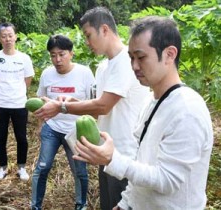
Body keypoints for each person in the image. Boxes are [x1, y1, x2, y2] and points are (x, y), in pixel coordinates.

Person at [73, 16, 214, 210]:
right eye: (131, 58)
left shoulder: (187, 109)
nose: (134, 66)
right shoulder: (151, 100)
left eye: (141, 57)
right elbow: (142, 161)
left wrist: (113, 159)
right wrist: (125, 202)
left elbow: (168, 180)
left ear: (169, 54)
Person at [35, 7, 149, 210]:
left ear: (104, 29)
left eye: (88, 35)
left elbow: (104, 106)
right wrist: (70, 100)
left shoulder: (125, 61)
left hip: (126, 153)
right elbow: (97, 107)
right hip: (106, 152)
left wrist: (62, 107)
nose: (86, 42)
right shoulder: (104, 66)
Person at [31, 35, 94, 210]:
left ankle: (81, 205)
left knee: (80, 172)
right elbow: (41, 101)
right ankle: (35, 206)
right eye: (53, 55)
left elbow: (92, 103)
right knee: (42, 168)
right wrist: (40, 125)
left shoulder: (84, 73)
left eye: (62, 54)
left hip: (76, 130)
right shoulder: (46, 73)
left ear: (71, 53)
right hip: (52, 127)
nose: (57, 60)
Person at [0, 22, 35, 181]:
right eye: (4, 36)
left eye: (10, 35)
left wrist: (18, 93)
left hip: (20, 104)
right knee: (0, 137)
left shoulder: (24, 58)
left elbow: (28, 80)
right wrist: (0, 92)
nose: (7, 39)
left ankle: (21, 167)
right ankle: (2, 167)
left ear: (16, 37)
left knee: (21, 137)